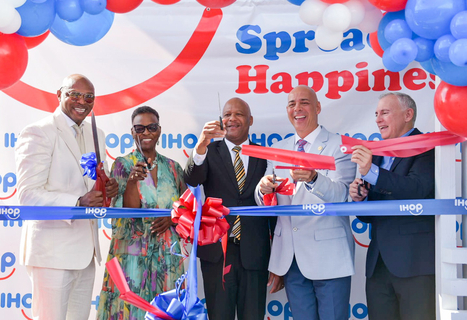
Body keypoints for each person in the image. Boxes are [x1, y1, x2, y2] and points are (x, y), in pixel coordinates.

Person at [15, 74, 119, 320]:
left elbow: (90, 184)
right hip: (52, 254)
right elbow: (28, 195)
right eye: (74, 94)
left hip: (86, 254)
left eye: (89, 97)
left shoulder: (97, 134)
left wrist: (106, 192)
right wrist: (77, 202)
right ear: (59, 95)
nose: (82, 100)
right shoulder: (39, 132)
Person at [255, 85, 356, 320]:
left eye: (304, 102)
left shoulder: (340, 146)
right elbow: (266, 203)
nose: (297, 109)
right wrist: (263, 190)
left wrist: (314, 178)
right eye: (291, 104)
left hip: (329, 257)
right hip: (291, 260)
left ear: (318, 107)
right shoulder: (278, 150)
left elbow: (343, 196)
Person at [184, 97, 275, 320]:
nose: (231, 119)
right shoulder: (208, 151)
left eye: (239, 114)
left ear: (250, 120)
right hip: (217, 254)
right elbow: (192, 180)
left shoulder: (266, 156)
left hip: (255, 254)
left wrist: (278, 258)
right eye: (226, 114)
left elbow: (274, 210)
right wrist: (200, 145)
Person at [349, 92, 435, 320]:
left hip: (414, 263)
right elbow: (368, 216)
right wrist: (361, 197)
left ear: (408, 114)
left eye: (385, 113)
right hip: (378, 265)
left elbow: (417, 188)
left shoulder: (426, 147)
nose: (378, 119)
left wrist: (372, 173)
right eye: (376, 114)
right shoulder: (376, 153)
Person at [97, 106, 186, 320]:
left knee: (165, 312)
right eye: (140, 128)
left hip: (166, 257)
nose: (146, 133)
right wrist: (131, 183)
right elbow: (125, 214)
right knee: (130, 313)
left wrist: (172, 217)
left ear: (159, 130)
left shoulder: (174, 167)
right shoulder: (122, 164)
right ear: (132, 132)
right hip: (131, 258)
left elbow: (186, 208)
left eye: (151, 127)